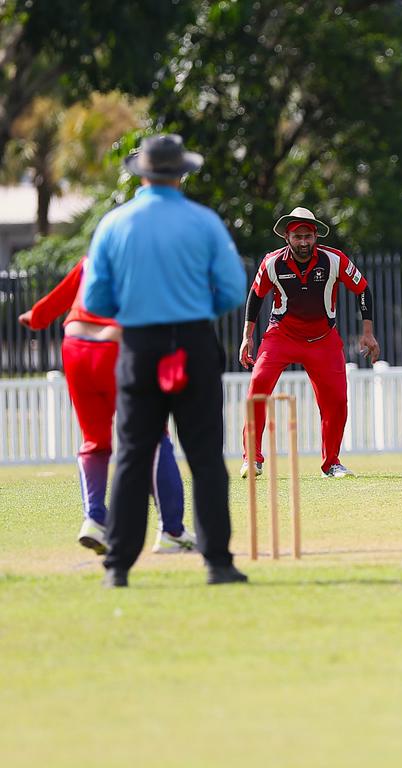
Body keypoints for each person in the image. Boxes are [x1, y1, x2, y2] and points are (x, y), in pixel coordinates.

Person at [82, 133, 249, 587]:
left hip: (138, 345)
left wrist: (137, 310)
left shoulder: (115, 224)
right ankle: (217, 563)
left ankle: (117, 567)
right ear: (181, 174)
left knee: (134, 456)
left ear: (142, 173)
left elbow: (95, 296)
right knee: (206, 458)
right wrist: (194, 310)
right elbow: (234, 289)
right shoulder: (204, 222)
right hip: (192, 341)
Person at [18, 257, 197, 555]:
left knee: (95, 440)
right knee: (154, 437)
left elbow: (59, 297)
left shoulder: (94, 257)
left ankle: (94, 521)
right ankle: (172, 532)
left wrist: (34, 317)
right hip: (114, 350)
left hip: (74, 347)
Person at [238, 206, 380, 479]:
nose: (303, 242)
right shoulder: (271, 263)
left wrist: (368, 332)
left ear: (316, 237)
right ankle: (252, 459)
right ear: (287, 238)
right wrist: (247, 338)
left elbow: (362, 289)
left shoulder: (334, 260)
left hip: (322, 339)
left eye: (308, 236)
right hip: (281, 335)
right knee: (258, 385)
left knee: (337, 401)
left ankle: (332, 463)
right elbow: (255, 297)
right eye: (297, 237)